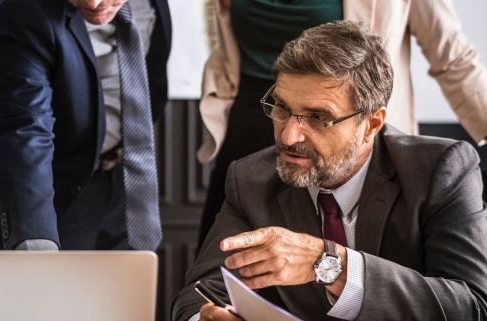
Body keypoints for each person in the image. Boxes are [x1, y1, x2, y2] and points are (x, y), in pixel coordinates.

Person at [173, 21, 487, 321]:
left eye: (318, 118)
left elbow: (471, 306)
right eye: (281, 108)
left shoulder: (438, 170)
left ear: (371, 125)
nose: (287, 137)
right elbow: (200, 292)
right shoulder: (251, 178)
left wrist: (330, 264)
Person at [196, 0, 487, 247]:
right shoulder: (244, 175)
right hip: (252, 124)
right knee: (224, 269)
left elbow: (454, 58)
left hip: (344, 134)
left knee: (348, 269)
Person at [0, 0, 171, 251]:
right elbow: (24, 129)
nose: (93, 2)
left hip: (129, 181)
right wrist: (35, 242)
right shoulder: (23, 9)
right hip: (56, 191)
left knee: (129, 287)